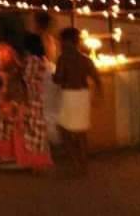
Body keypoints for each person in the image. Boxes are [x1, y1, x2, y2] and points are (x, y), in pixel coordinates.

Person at [53, 27, 102, 175]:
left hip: (69, 95)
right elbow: (96, 78)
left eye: (61, 41)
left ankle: (75, 162)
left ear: (67, 41)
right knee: (81, 132)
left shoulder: (63, 58)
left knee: (64, 130)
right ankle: (84, 164)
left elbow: (59, 78)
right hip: (83, 95)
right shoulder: (85, 59)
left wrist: (52, 76)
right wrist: (98, 94)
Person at [21, 34, 54, 170]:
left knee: (34, 131)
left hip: (34, 98)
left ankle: (36, 163)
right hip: (41, 97)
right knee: (39, 130)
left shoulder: (32, 61)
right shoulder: (43, 60)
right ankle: (40, 161)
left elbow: (28, 78)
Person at [0, 42, 27, 168]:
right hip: (6, 97)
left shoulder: (15, 66)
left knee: (14, 128)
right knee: (3, 128)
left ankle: (19, 156)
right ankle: (0, 157)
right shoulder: (2, 66)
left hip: (14, 97)